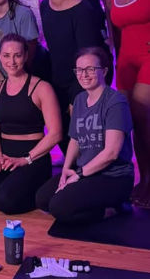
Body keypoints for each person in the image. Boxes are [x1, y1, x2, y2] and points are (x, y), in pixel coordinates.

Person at [36, 47, 134, 223]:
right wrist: (66, 169)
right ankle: (93, 200)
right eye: (79, 70)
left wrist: (79, 175)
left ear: (104, 70)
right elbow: (75, 139)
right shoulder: (80, 99)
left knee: (59, 207)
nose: (84, 74)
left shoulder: (115, 101)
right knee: (43, 199)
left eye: (91, 69)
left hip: (113, 177)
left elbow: (111, 153)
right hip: (87, 172)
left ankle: (113, 208)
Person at [0, 34, 61, 214]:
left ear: (25, 56)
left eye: (17, 55)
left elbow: (56, 133)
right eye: (7, 56)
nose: (12, 61)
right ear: (0, 56)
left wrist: (26, 159)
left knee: (6, 202)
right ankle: (10, 184)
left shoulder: (42, 88)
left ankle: (37, 188)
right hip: (4, 157)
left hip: (33, 158)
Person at [39, 0, 106, 153]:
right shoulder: (44, 7)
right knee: (60, 133)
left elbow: (88, 58)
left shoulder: (82, 9)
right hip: (57, 78)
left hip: (81, 81)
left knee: (83, 140)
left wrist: (76, 96)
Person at [104, 0, 150, 207]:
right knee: (130, 123)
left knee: (144, 118)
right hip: (126, 61)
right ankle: (143, 179)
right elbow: (114, 33)